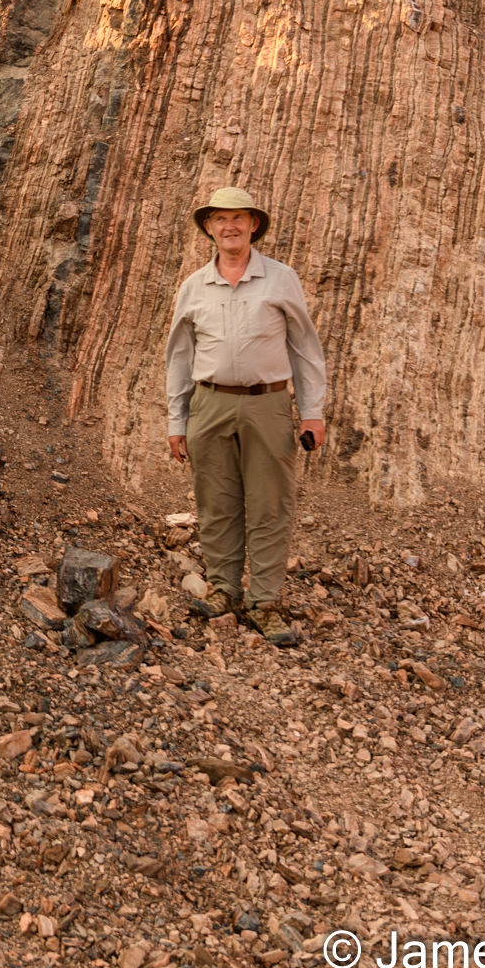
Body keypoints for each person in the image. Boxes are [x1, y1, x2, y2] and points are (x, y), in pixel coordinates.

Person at [164, 186, 327, 646]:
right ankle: (224, 590)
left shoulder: (280, 279)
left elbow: (305, 349)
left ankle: (266, 602)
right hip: (209, 403)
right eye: (220, 219)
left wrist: (312, 412)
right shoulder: (194, 286)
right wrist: (178, 421)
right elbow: (179, 357)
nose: (229, 226)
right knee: (215, 500)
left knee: (270, 503)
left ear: (253, 224)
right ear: (209, 228)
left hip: (268, 403)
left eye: (238, 217)